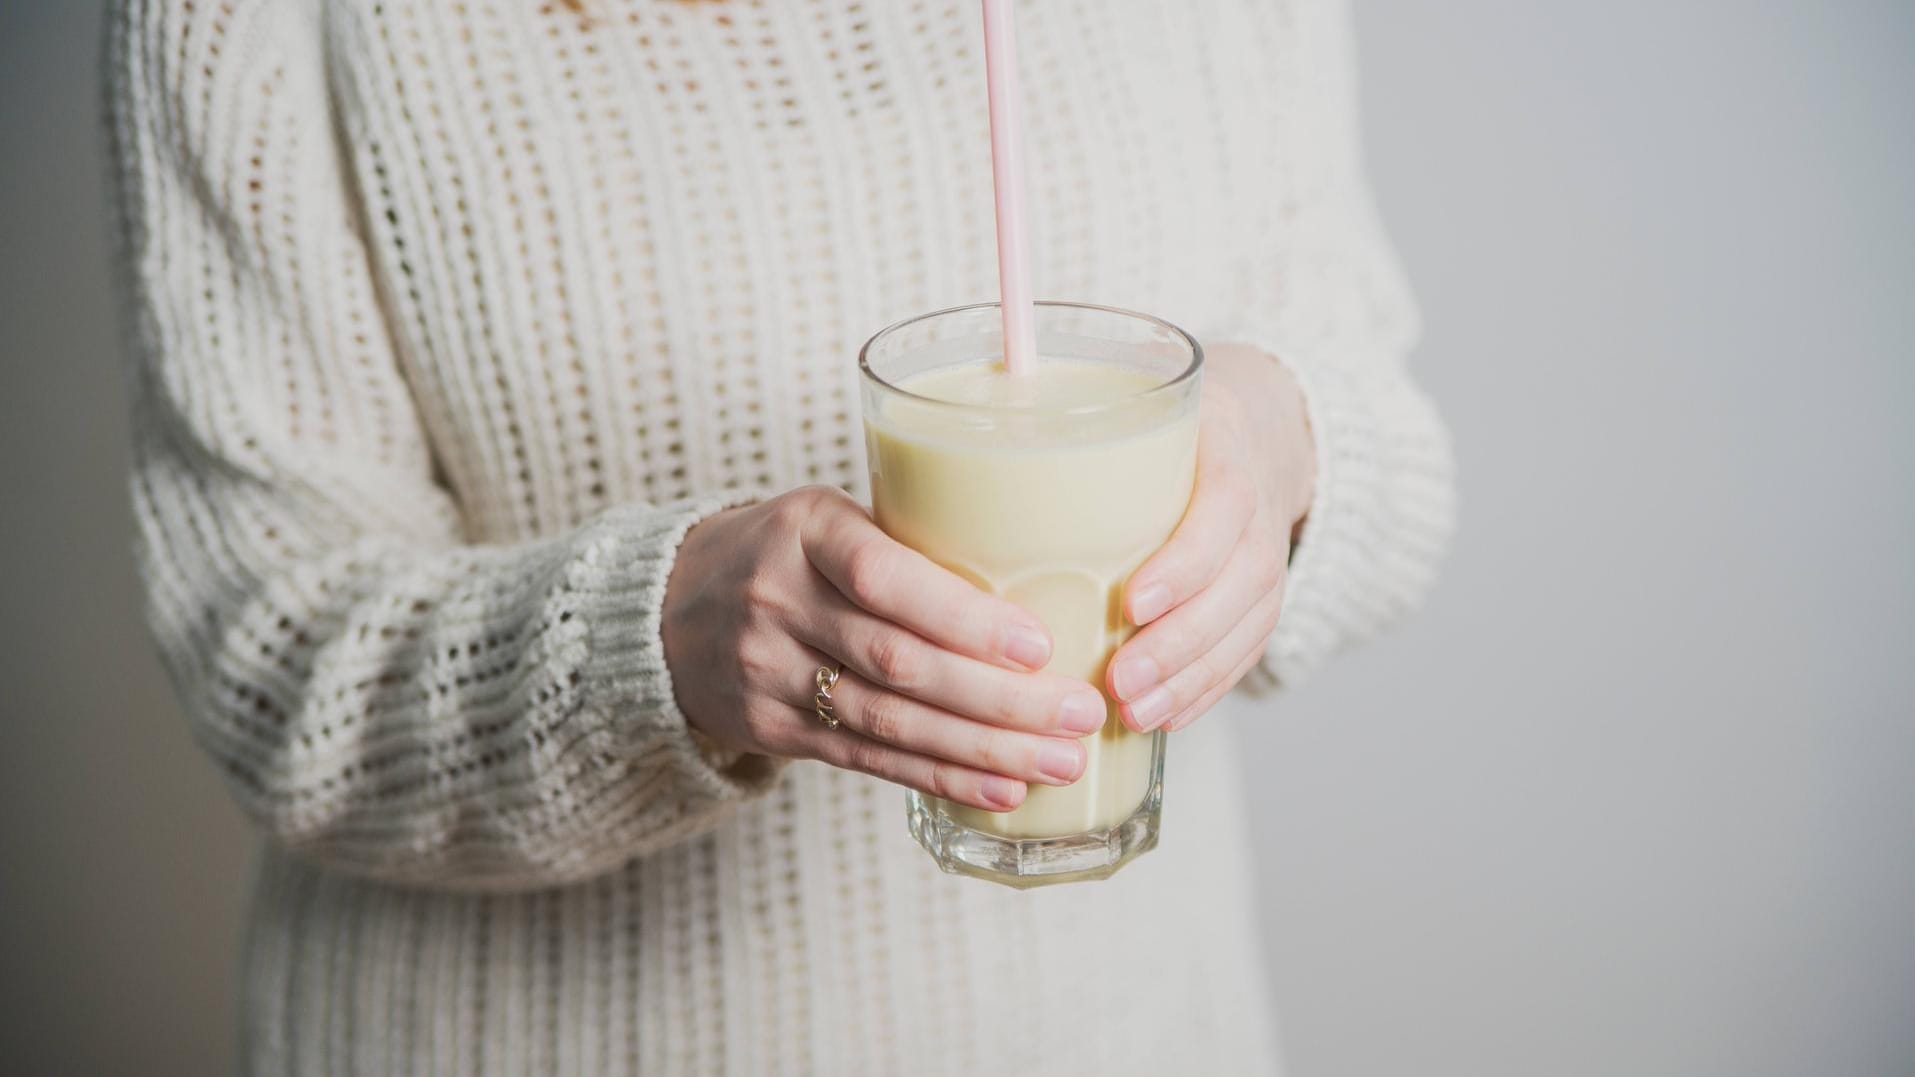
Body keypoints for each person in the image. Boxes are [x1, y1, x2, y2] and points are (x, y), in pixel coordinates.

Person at [107, 0, 1454, 1072]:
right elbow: (270, 660)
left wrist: (1285, 443)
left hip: (1139, 1035)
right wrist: (659, 640)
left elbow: (1389, 442)